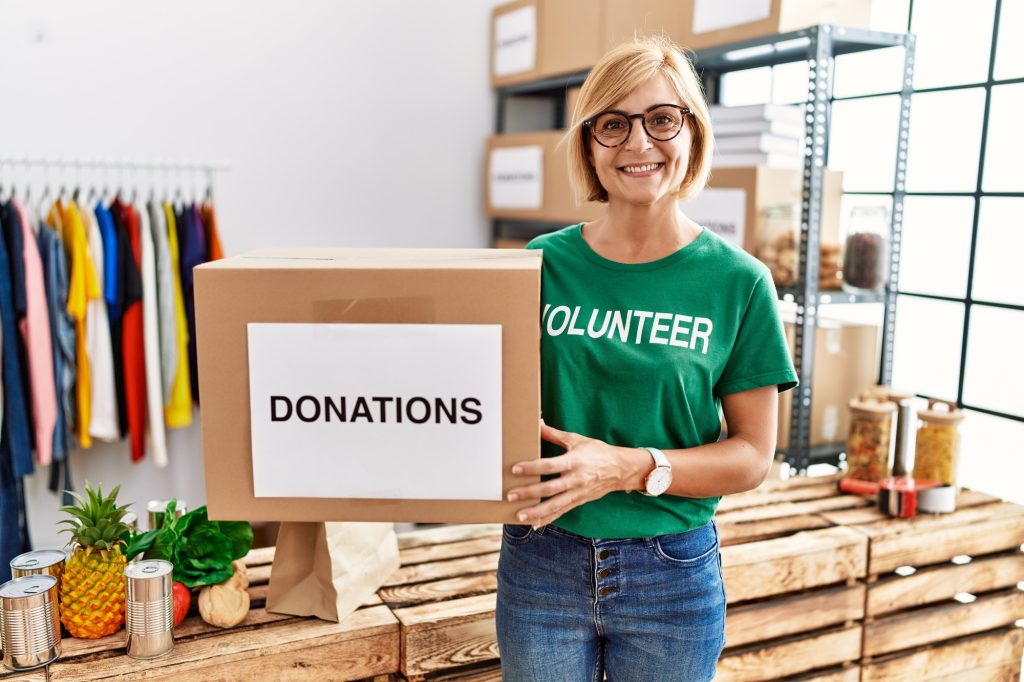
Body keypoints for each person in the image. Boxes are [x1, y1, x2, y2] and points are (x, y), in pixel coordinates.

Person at [496, 36, 799, 682]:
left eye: (661, 119)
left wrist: (629, 468)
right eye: (613, 124)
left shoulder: (739, 283)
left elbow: (752, 456)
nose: (638, 143)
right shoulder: (535, 266)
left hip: (671, 576)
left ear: (692, 131)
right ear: (588, 143)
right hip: (540, 562)